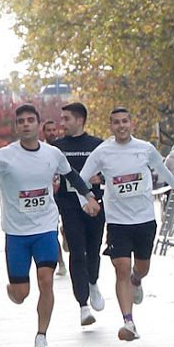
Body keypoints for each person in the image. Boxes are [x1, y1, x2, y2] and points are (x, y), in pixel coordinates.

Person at [0, 103, 100, 347]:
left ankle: (41, 336)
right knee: (22, 293)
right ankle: (13, 289)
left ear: (38, 124)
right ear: (17, 126)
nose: (26, 124)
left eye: (30, 120)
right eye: (21, 121)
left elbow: (73, 177)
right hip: (16, 232)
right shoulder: (5, 155)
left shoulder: (53, 153)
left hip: (45, 227)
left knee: (46, 281)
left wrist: (89, 197)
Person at [79, 109, 174, 341]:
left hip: (144, 219)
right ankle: (128, 322)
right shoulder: (102, 152)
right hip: (117, 222)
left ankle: (137, 280)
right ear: (110, 126)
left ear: (132, 124)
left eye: (125, 121)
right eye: (116, 123)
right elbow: (80, 179)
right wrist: (87, 200)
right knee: (121, 267)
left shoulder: (145, 148)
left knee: (141, 268)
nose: (121, 126)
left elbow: (162, 170)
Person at [53, 103, 107, 326]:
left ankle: (93, 282)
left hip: (94, 204)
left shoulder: (97, 145)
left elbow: (111, 172)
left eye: (66, 119)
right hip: (69, 206)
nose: (62, 123)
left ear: (79, 120)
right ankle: (83, 305)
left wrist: (100, 178)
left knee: (93, 250)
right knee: (77, 252)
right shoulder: (56, 147)